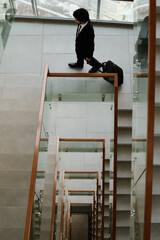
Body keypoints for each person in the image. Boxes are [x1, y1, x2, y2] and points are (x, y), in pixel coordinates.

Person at [68, 8, 102, 73]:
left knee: (88, 58)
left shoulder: (89, 32)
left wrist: (89, 56)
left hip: (85, 49)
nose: (75, 20)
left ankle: (97, 65)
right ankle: (80, 64)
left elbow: (91, 45)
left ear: (82, 20)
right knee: (79, 55)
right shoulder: (82, 22)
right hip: (79, 45)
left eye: (76, 19)